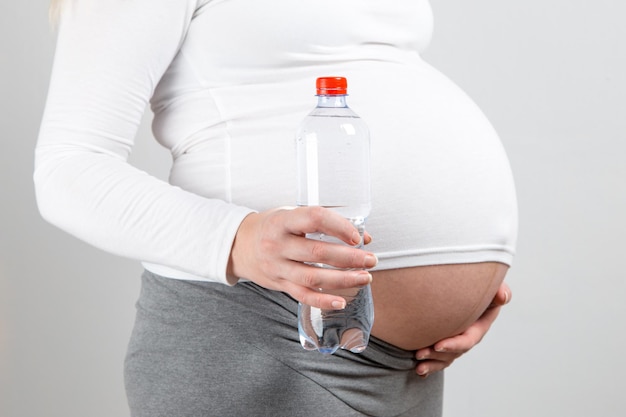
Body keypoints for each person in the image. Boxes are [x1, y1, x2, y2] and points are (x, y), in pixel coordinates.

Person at [35, 0, 517, 416]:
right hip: (260, 331)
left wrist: (459, 289)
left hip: (405, 364)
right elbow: (68, 169)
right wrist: (238, 240)